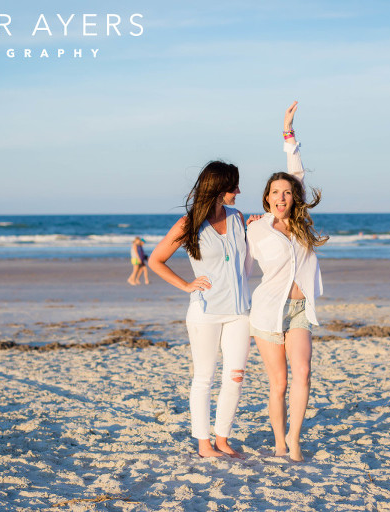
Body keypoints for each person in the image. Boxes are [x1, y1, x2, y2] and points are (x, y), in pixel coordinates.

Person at [148, 161, 251, 458]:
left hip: (240, 311)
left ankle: (222, 439)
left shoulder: (238, 218)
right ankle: (204, 444)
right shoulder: (188, 223)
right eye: (233, 186)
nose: (238, 191)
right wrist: (186, 285)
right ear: (218, 189)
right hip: (205, 311)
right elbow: (156, 260)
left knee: (235, 375)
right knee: (204, 377)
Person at [247, 101, 328, 462]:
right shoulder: (254, 229)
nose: (282, 197)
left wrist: (288, 132)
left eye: (287, 192)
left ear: (293, 196)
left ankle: (295, 440)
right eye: (275, 192)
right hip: (266, 314)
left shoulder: (299, 224)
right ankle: (278, 442)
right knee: (277, 383)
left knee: (304, 374)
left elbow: (296, 170)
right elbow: (241, 271)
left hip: (300, 309)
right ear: (266, 198)